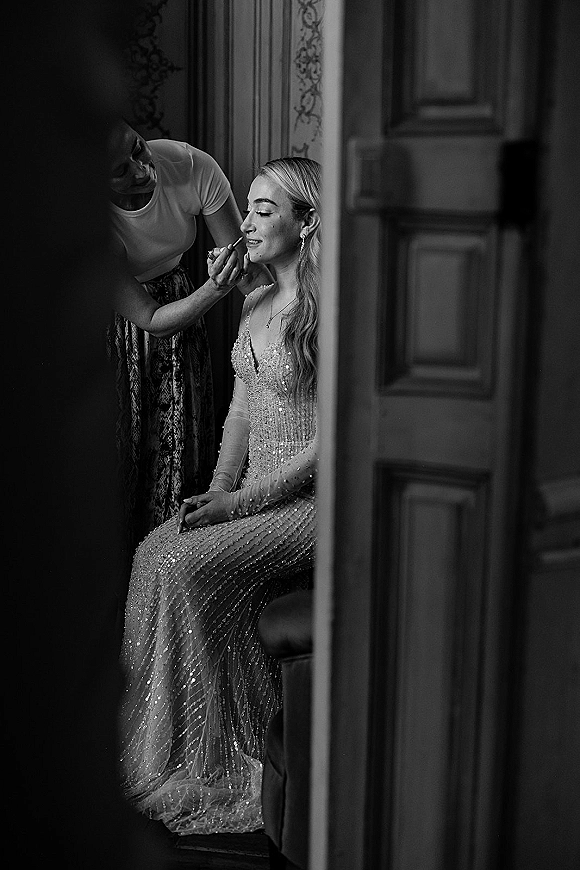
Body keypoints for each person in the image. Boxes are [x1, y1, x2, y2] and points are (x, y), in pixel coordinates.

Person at [118, 156, 321, 835]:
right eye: (249, 206)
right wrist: (216, 493)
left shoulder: (327, 310)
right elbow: (237, 415)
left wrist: (235, 508)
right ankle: (174, 744)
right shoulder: (256, 300)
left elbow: (325, 446)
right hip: (250, 495)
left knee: (181, 564)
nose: (247, 221)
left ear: (307, 222)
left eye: (266, 210)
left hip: (309, 505)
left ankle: (227, 753)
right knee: (156, 549)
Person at [106, 118, 269, 575]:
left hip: (184, 307)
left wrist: (285, 317)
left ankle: (170, 569)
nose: (142, 169)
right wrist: (213, 291)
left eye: (138, 149)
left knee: (179, 444)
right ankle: (119, 584)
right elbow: (151, 320)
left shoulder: (189, 164)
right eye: (121, 170)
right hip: (123, 326)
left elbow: (246, 265)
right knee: (127, 454)